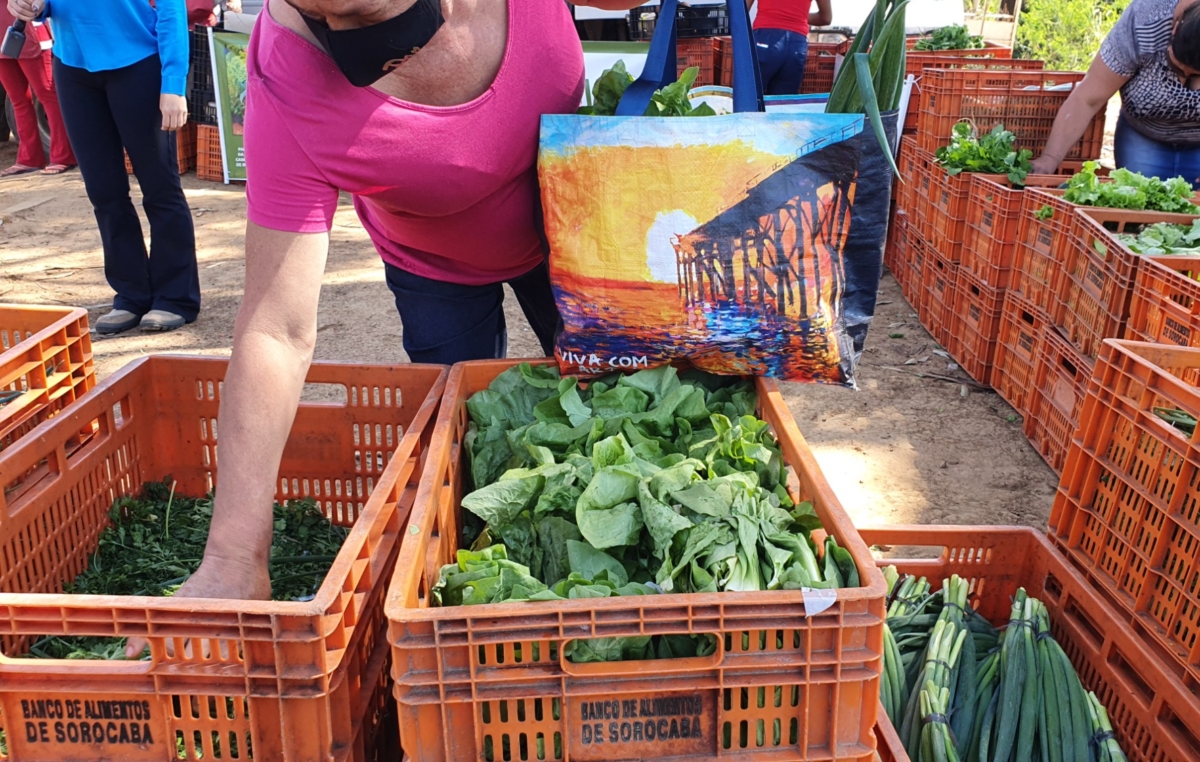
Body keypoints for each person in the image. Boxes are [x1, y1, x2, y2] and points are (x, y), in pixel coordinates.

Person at [48, 0, 650, 653]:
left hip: (579, 235)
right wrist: (232, 555)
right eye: (320, 15)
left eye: (364, 15)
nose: (340, 34)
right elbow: (276, 329)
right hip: (434, 264)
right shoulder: (287, 77)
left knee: (630, 423)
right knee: (467, 463)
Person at [7, 0, 201, 334]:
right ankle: (130, 295)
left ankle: (175, 298)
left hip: (139, 63)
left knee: (160, 187)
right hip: (73, 67)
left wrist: (172, 81)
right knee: (104, 191)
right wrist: (32, 6)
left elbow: (172, 9)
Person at [1029, 0, 1200, 186]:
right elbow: (1088, 99)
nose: (1186, 82)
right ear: (1174, 29)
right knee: (1138, 209)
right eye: (1178, 68)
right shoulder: (1144, 20)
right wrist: (1049, 159)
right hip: (1143, 137)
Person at [0, 8, 74, 176]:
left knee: (47, 94)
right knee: (18, 99)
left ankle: (64, 156)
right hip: (3, 37)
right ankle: (29, 159)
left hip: (27, 31)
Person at [747, 0, 833, 96]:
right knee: (781, 103)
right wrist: (796, 16)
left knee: (749, 97)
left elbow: (741, 9)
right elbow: (826, 18)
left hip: (765, 39)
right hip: (796, 45)